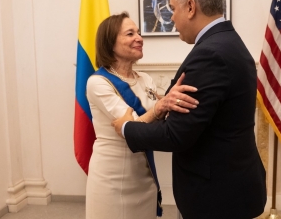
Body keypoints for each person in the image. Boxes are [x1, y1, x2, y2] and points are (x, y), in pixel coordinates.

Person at [113, 0, 267, 219]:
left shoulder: (211, 54)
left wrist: (126, 128)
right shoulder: (228, 42)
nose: (172, 17)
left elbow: (176, 135)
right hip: (231, 186)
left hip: (217, 197)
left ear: (191, 7)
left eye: (173, 8)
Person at [85, 12, 198, 219]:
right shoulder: (98, 82)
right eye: (130, 33)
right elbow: (131, 127)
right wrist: (160, 106)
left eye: (138, 32)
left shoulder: (145, 79)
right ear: (110, 43)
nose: (139, 38)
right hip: (112, 177)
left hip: (144, 176)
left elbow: (157, 122)